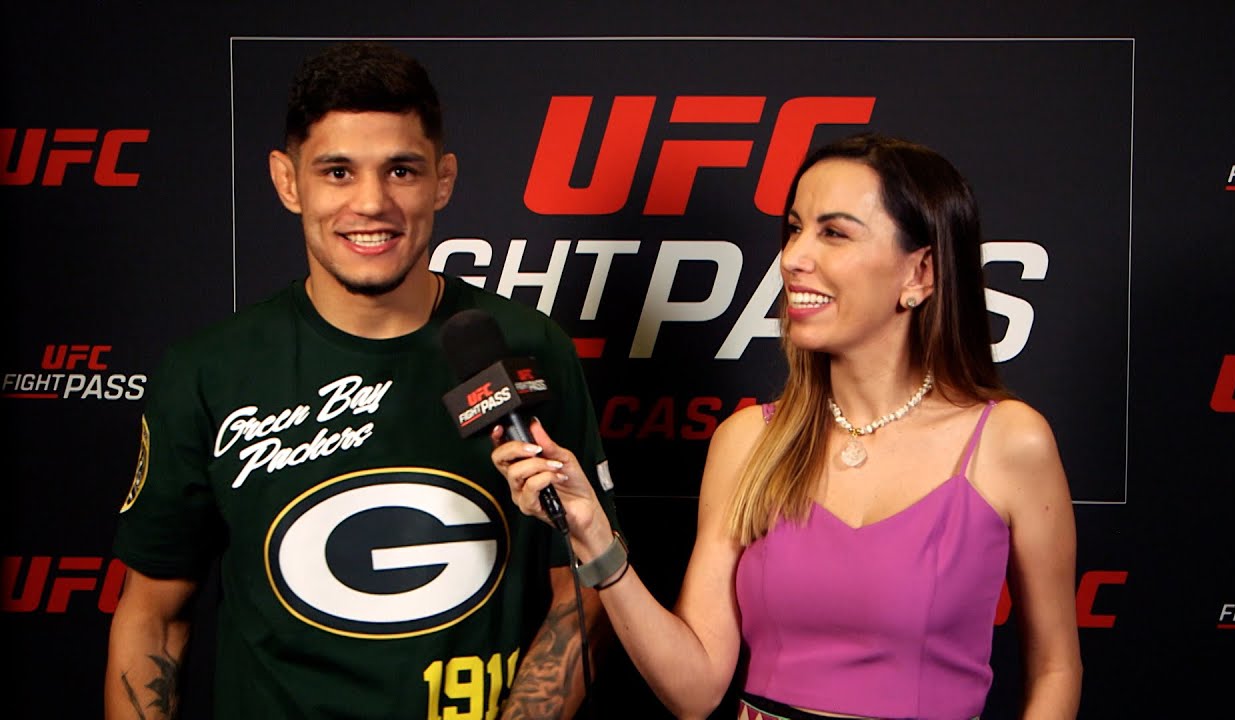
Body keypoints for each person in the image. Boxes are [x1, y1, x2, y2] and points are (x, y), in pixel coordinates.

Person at [105, 41, 619, 720]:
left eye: (401, 170)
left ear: (443, 180)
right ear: (288, 182)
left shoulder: (527, 349)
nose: (372, 203)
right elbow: (152, 617)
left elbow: (583, 588)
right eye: (338, 172)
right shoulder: (210, 371)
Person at [493, 133, 1082, 719]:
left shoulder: (1008, 441)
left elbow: (1056, 670)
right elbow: (694, 691)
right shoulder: (748, 441)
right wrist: (595, 537)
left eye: (834, 233)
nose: (793, 257)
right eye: (795, 229)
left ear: (920, 274)